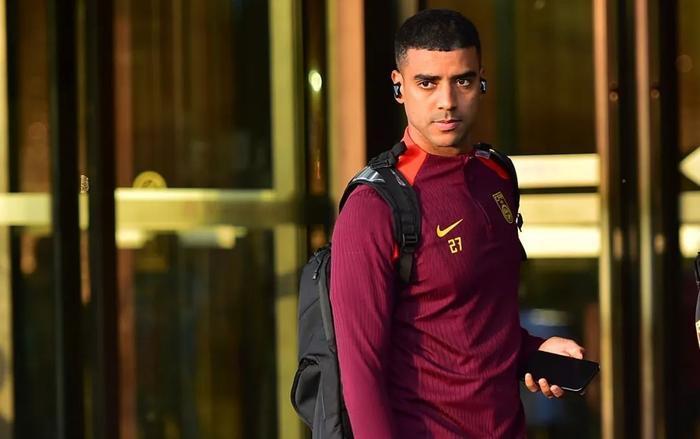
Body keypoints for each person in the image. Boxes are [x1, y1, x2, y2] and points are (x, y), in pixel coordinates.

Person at [329, 9, 586, 438]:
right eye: (427, 83)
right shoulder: (374, 206)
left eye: (462, 81)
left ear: (481, 80)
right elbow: (360, 375)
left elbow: (474, 322)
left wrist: (533, 349)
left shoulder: (496, 175)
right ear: (399, 86)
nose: (446, 101)